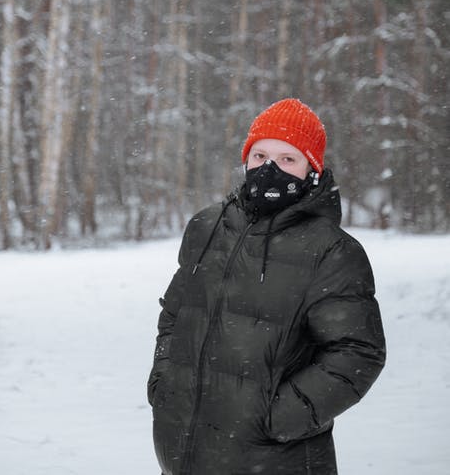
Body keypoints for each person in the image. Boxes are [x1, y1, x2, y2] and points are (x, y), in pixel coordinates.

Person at [148, 98, 386, 475]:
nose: (269, 169)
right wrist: (164, 381)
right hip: (183, 454)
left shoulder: (333, 251)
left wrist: (276, 417)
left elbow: (358, 353)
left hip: (276, 460)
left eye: (288, 159)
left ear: (312, 169)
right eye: (260, 156)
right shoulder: (207, 228)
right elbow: (175, 314)